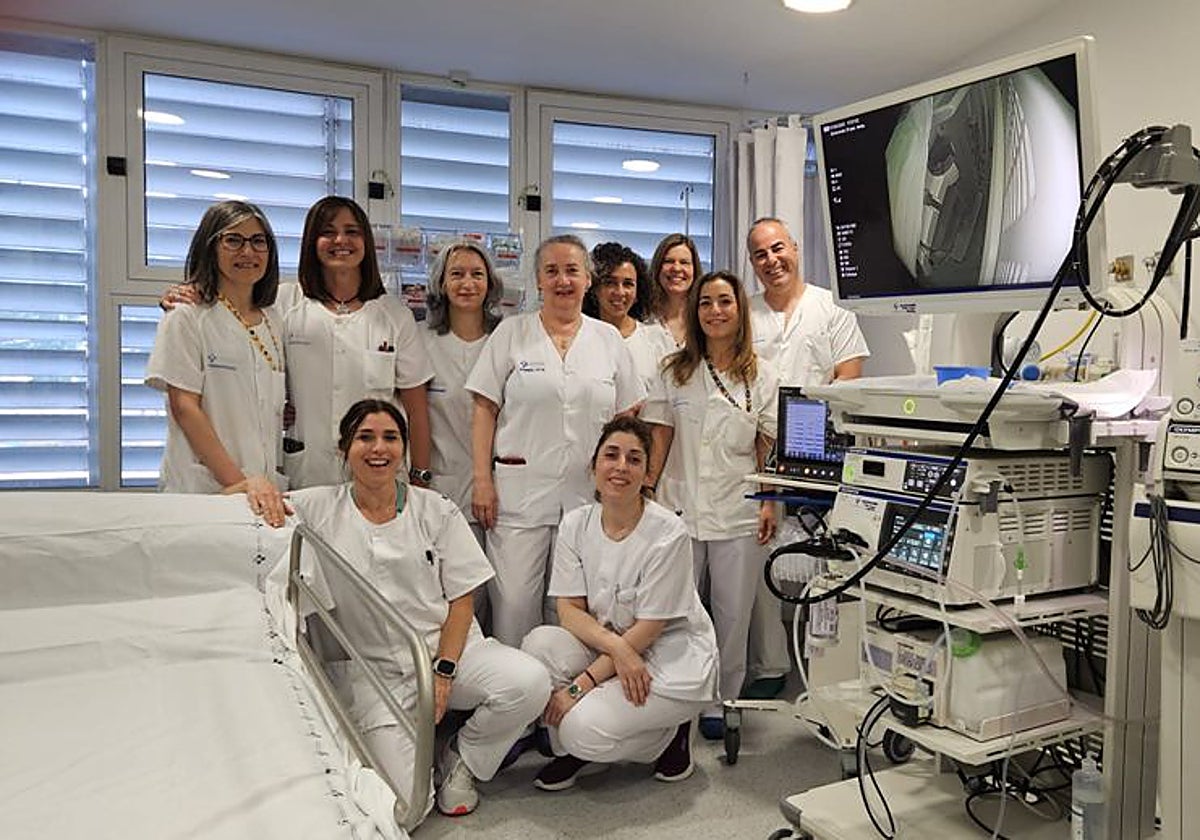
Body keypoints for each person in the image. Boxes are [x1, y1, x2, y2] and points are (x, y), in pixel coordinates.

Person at [287, 399, 551, 819]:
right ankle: (414, 748)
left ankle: (460, 758)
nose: (379, 448)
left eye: (391, 438)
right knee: (407, 808)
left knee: (530, 682)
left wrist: (444, 672)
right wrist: (253, 486)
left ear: (405, 449)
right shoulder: (317, 508)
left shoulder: (435, 510)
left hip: (448, 653)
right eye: (365, 438)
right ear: (343, 449)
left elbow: (462, 598)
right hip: (376, 673)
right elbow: (251, 501)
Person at [162, 196, 434, 491]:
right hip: (306, 471)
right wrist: (188, 292)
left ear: (366, 241)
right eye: (327, 232)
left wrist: (420, 475)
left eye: (352, 231)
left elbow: (417, 408)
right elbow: (231, 308)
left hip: (379, 473)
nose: (340, 240)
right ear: (311, 242)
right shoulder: (281, 304)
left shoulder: (394, 315)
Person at [466, 234, 645, 648]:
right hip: (518, 497)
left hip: (586, 501)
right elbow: (484, 409)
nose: (563, 280)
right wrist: (482, 480)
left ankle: (562, 705)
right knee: (513, 607)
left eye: (572, 271)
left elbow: (626, 418)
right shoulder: (512, 333)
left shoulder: (608, 340)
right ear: (538, 281)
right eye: (552, 271)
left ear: (587, 279)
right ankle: (517, 704)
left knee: (575, 610)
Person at [521, 416, 718, 791]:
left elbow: (649, 629)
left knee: (579, 728)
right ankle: (589, 744)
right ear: (594, 465)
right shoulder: (576, 524)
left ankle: (669, 733)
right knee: (539, 645)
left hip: (668, 658)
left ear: (647, 474)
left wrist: (580, 686)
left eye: (634, 459)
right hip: (614, 644)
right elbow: (568, 611)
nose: (621, 467)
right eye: (611, 455)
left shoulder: (667, 533)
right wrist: (616, 650)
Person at [641, 269, 778, 739]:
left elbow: (766, 443)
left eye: (724, 302)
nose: (715, 311)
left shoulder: (761, 375)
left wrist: (769, 501)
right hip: (678, 506)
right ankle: (679, 695)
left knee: (733, 612)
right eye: (705, 303)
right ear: (694, 312)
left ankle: (724, 699)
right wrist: (647, 490)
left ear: (739, 310)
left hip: (737, 509)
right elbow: (661, 433)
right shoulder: (673, 370)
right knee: (677, 609)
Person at [743, 216, 870, 699]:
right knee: (757, 553)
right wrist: (769, 483)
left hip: (826, 451)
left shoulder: (831, 308)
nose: (772, 260)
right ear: (751, 263)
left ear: (795, 247)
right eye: (760, 254)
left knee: (835, 560)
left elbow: (849, 379)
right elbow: (744, 393)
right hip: (761, 451)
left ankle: (831, 669)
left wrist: (807, 438)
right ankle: (772, 664)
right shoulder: (746, 315)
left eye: (778, 248)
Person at [145, 199, 289, 526]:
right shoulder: (185, 317)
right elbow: (185, 408)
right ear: (210, 247)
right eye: (233, 240)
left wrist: (255, 486)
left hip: (262, 491)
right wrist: (238, 483)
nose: (248, 252)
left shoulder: (273, 320)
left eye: (258, 241)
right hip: (208, 489)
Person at [420, 239, 505, 544]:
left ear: (490, 283)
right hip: (443, 489)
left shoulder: (507, 339)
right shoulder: (420, 341)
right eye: (456, 274)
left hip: (503, 494)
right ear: (441, 283)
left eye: (477, 274)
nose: (467, 283)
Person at [583, 242, 674, 396]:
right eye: (610, 283)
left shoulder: (658, 340)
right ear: (594, 289)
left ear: (638, 292)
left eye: (628, 284)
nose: (620, 292)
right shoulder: (580, 338)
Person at [647, 233, 703, 347]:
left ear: (695, 270)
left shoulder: (705, 320)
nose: (677, 268)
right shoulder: (643, 319)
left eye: (684, 262)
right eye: (668, 261)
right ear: (657, 267)